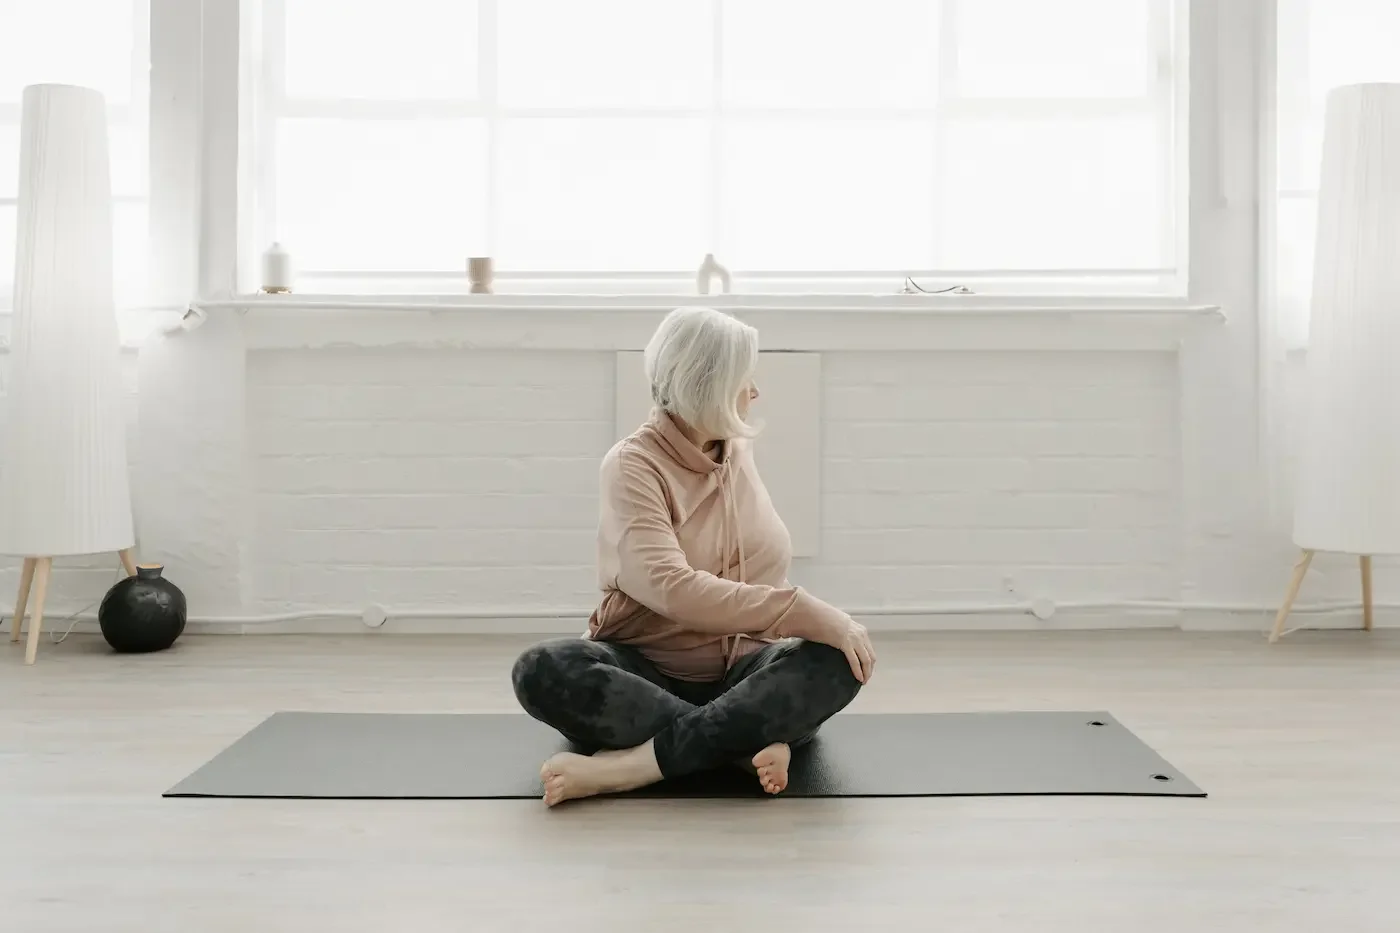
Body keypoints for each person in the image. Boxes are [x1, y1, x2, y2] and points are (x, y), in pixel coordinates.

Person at [511, 306, 875, 807]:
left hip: (746, 667)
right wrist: (799, 609)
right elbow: (672, 588)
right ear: (709, 383)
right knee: (543, 669)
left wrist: (813, 627)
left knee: (838, 659)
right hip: (646, 670)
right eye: (745, 376)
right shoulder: (632, 466)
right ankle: (738, 745)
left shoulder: (733, 451)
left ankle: (632, 766)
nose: (755, 391)